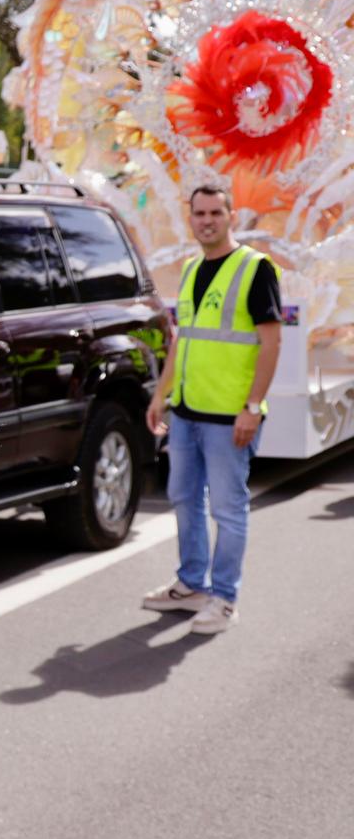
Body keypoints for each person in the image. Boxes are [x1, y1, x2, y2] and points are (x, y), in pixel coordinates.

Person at [143, 183, 282, 634]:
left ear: (231, 216)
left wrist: (253, 406)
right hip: (186, 412)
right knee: (184, 500)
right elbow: (183, 341)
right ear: (192, 218)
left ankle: (224, 598)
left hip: (229, 416)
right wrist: (161, 395)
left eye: (215, 213)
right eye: (198, 213)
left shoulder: (254, 268)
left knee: (227, 509)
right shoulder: (189, 270)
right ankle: (191, 585)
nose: (206, 220)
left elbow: (271, 341)